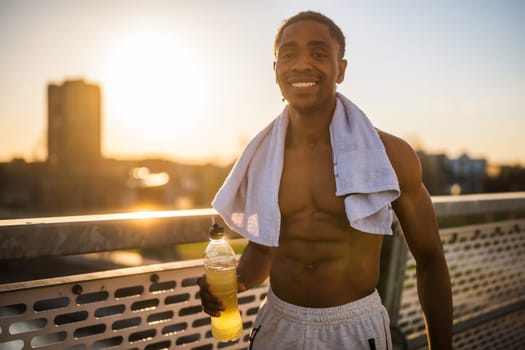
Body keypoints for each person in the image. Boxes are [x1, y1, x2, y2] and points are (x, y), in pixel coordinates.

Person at [198, 11, 452, 350]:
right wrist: (238, 282)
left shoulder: (390, 155)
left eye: (318, 53)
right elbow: (262, 248)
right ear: (275, 70)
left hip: (355, 327)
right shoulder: (261, 157)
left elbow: (430, 258)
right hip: (277, 323)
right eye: (288, 55)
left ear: (341, 69)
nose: (302, 64)